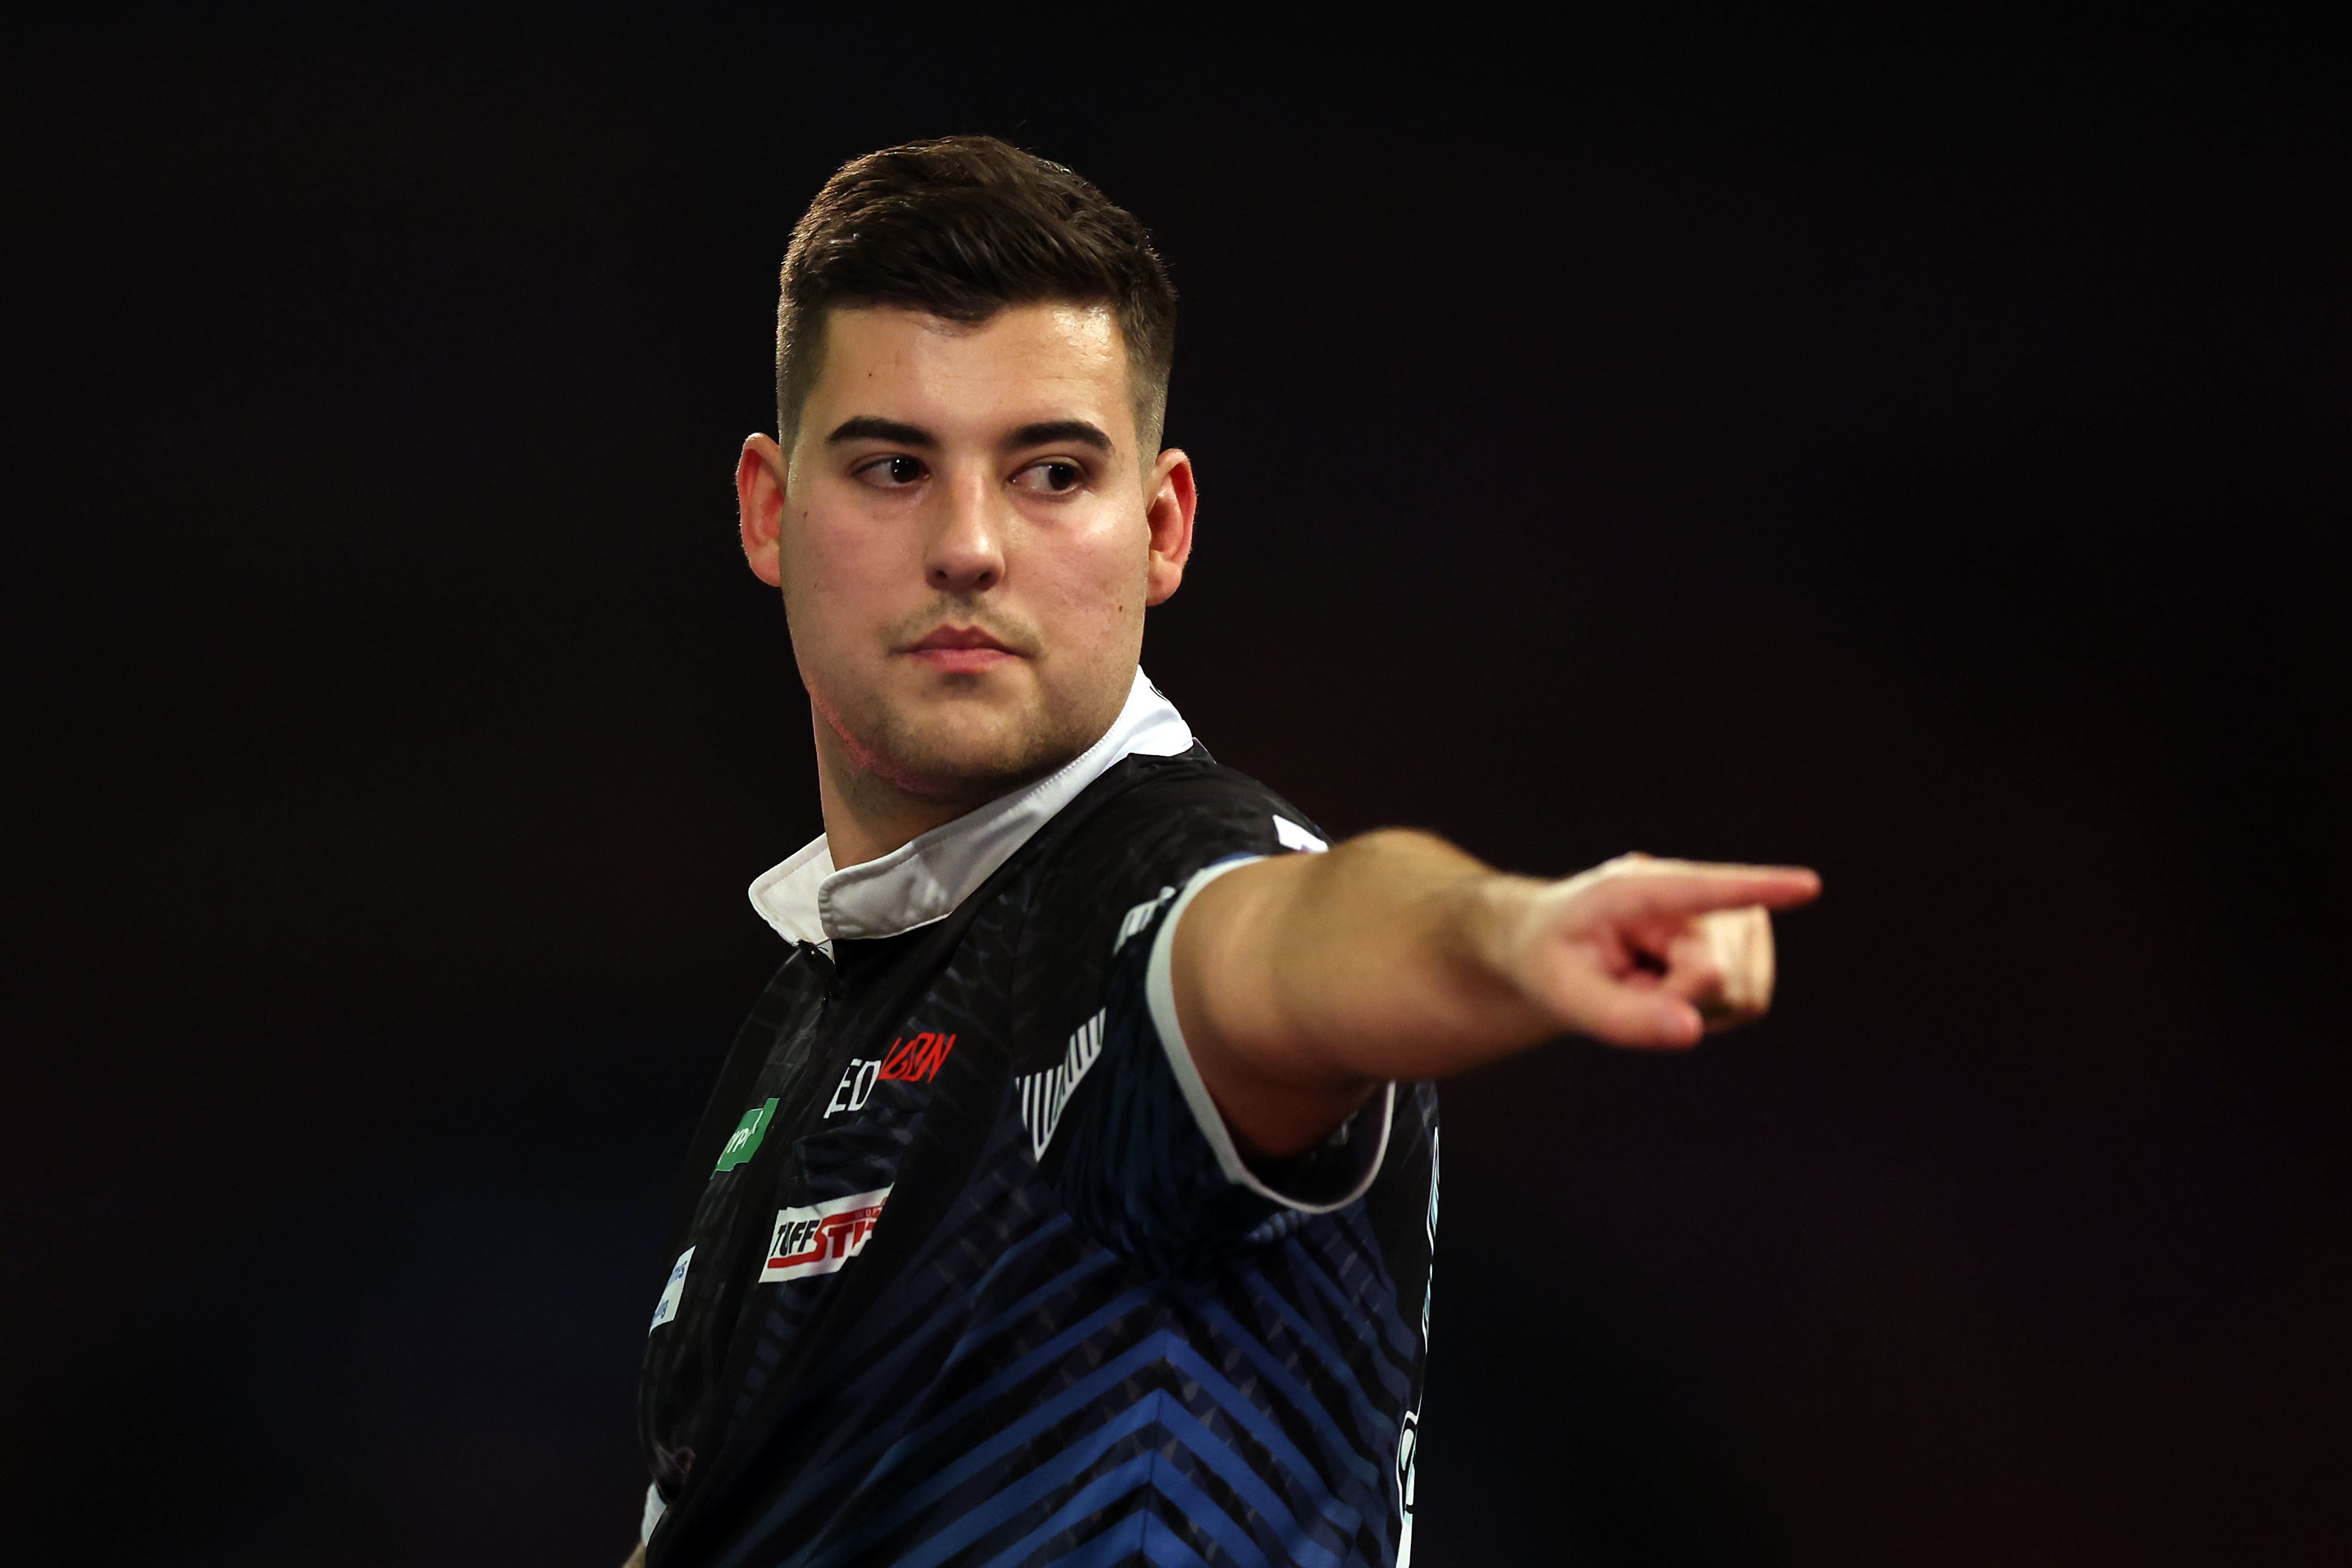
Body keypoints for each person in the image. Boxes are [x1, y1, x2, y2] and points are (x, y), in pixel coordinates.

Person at [626, 135, 1819, 1568]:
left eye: (1051, 471)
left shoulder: (1151, 874)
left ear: (1162, 525)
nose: (969, 545)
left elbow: (1286, 940)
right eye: (893, 466)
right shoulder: (815, 1014)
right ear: (768, 510)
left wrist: (1508, 932)